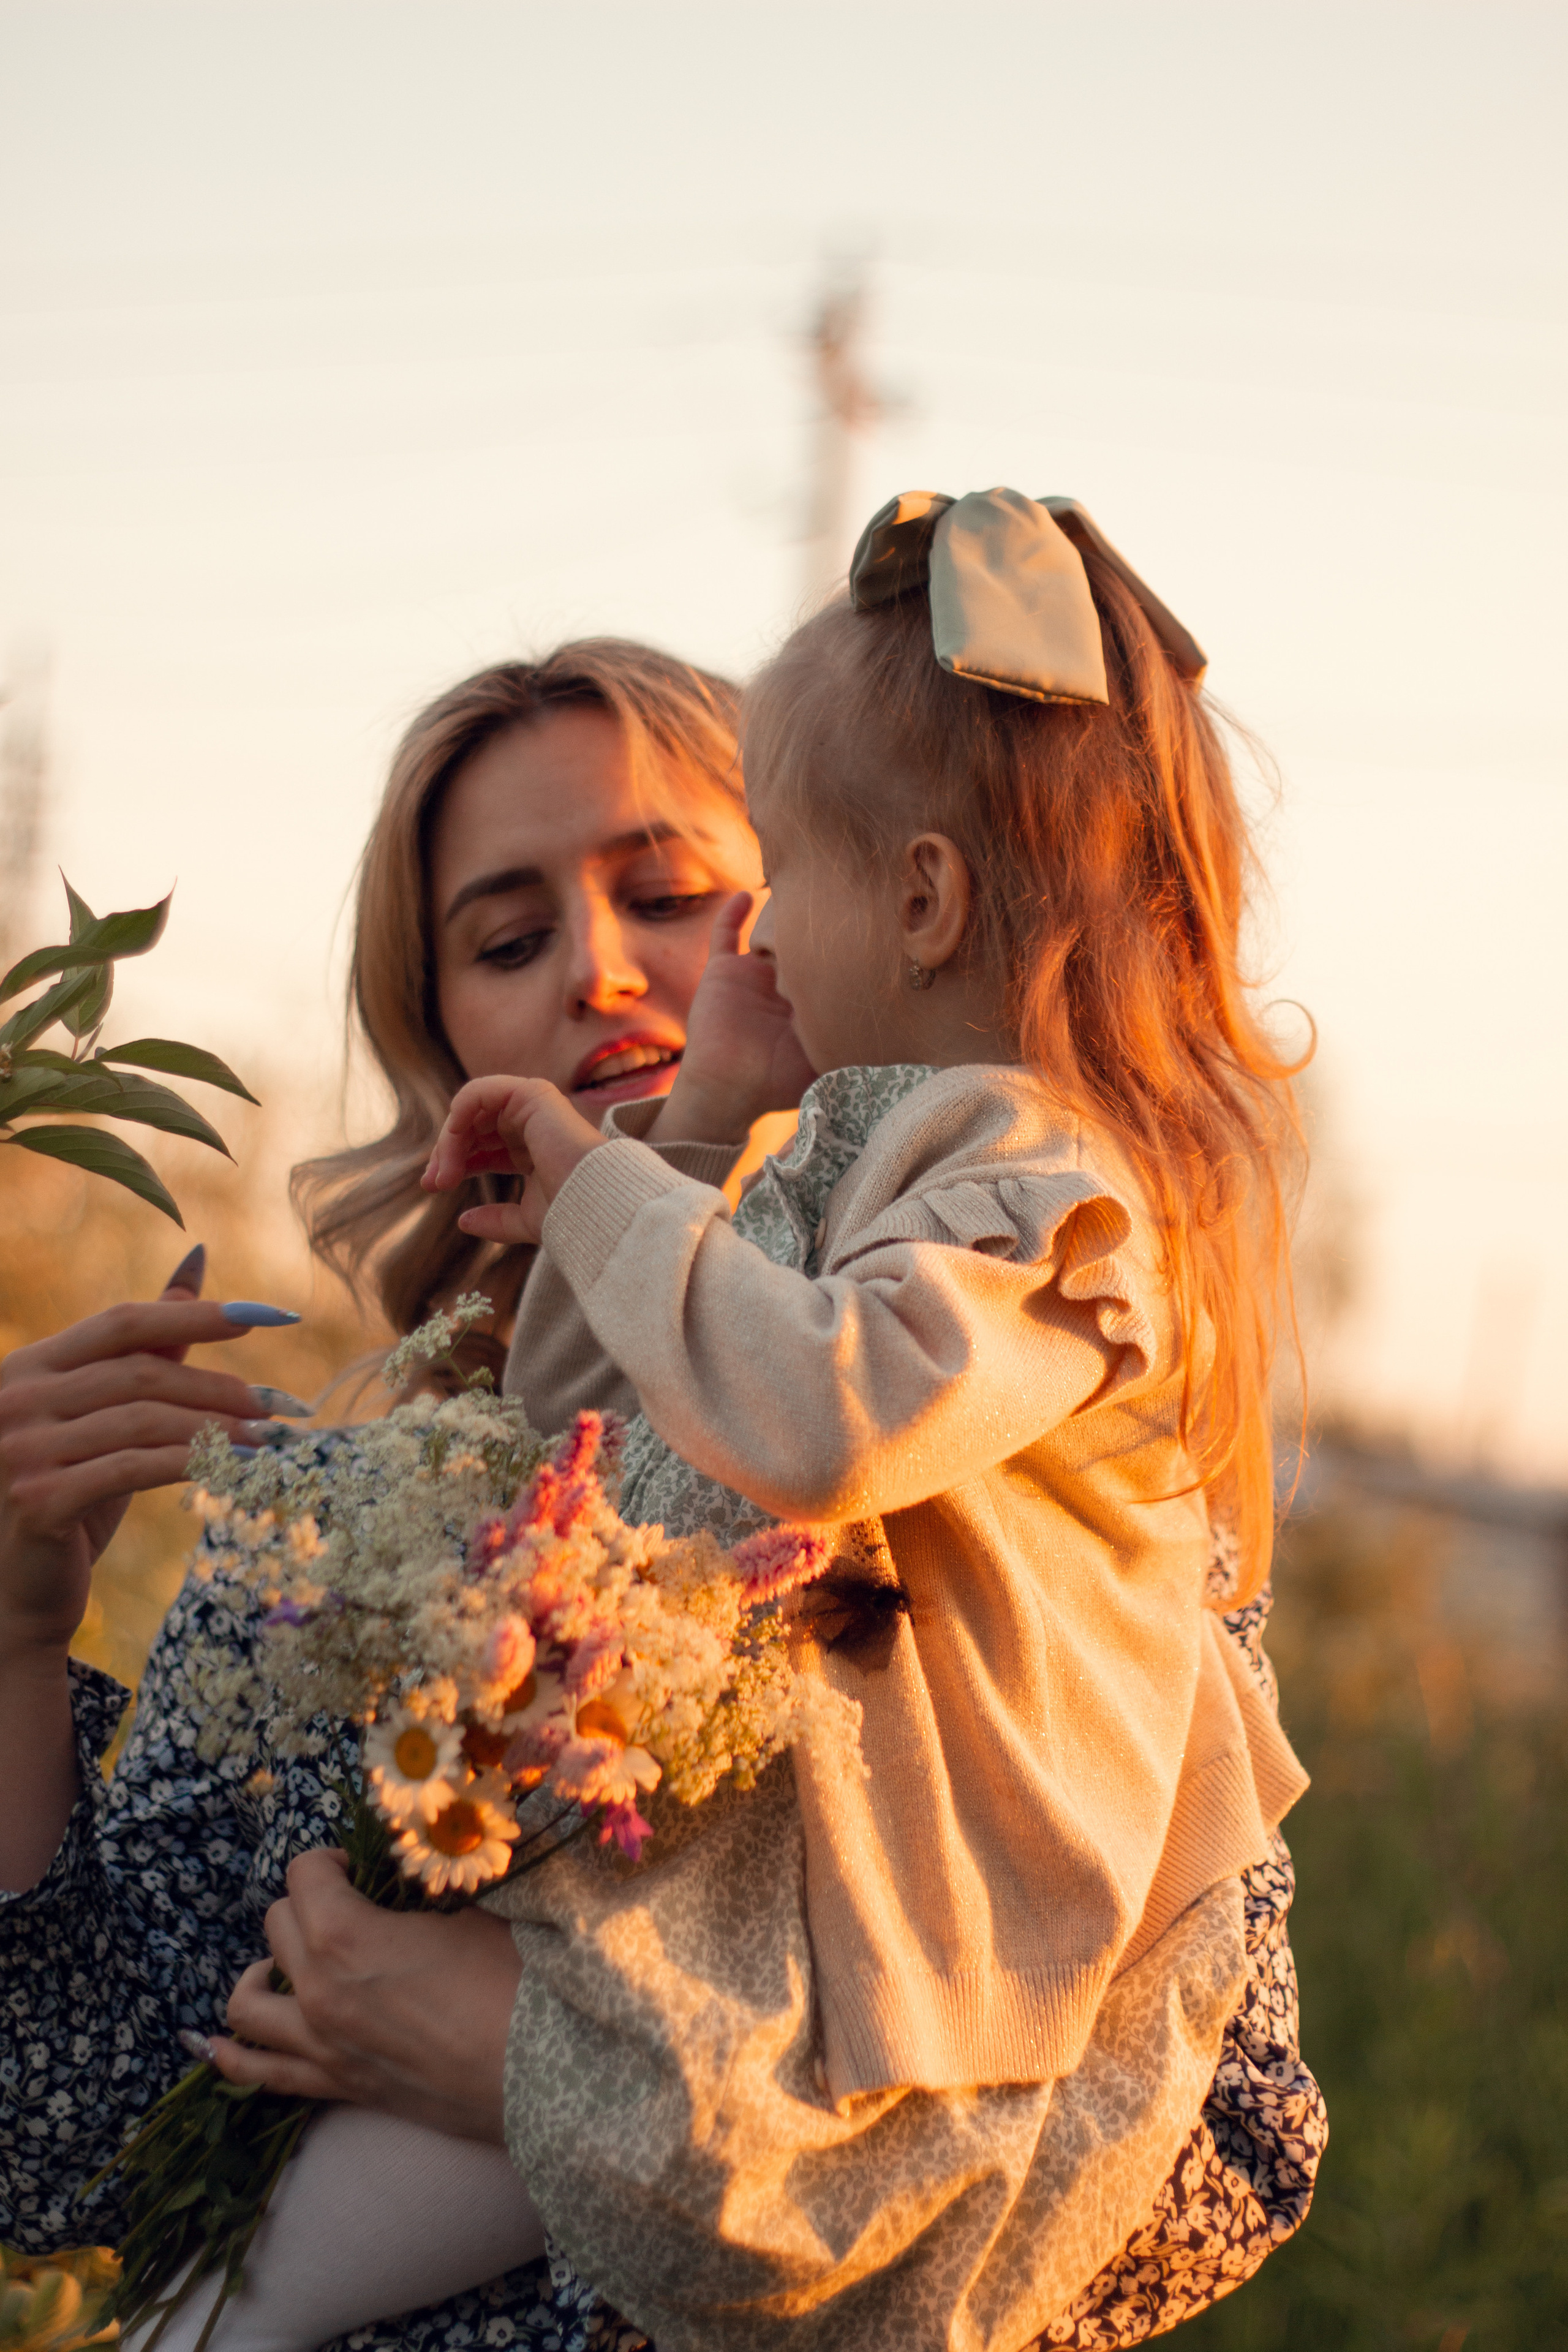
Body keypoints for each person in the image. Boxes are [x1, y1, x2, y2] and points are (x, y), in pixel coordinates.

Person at [0, 598, 1324, 2351]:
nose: (599, 970)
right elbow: (58, 2149)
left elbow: (1231, 2142)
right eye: (507, 931)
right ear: (442, 1026)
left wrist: (570, 2087)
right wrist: (13, 1641)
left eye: (679, 890)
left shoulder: (1024, 1459)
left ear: (877, 901)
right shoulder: (326, 1523)